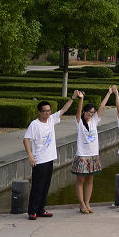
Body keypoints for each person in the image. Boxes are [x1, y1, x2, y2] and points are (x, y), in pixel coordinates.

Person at [23, 92, 76, 220]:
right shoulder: (34, 124)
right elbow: (26, 139)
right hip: (39, 161)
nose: (47, 113)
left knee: (46, 186)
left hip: (49, 159)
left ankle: (41, 209)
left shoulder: (51, 120)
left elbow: (64, 110)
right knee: (37, 187)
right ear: (39, 112)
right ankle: (32, 211)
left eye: (49, 110)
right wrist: (30, 155)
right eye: (45, 111)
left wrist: (73, 97)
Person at [72, 86, 113, 214]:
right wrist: (81, 99)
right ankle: (81, 204)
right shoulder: (79, 122)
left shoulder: (94, 121)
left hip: (93, 155)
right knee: (80, 181)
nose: (91, 114)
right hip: (82, 155)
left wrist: (109, 93)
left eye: (92, 112)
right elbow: (78, 112)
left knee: (90, 180)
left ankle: (87, 203)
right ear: (84, 112)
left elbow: (102, 106)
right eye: (89, 112)